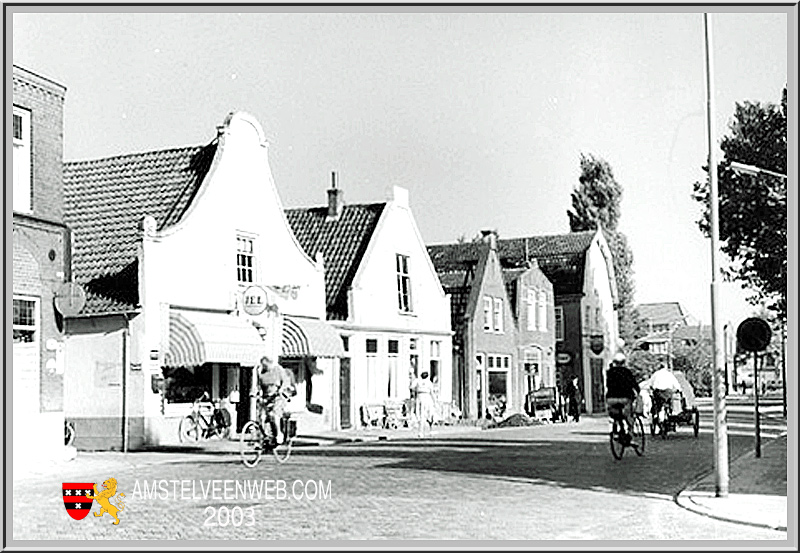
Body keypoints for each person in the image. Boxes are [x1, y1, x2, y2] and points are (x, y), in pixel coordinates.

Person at [256, 355, 294, 445]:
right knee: (261, 417)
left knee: (274, 415)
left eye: (266, 365)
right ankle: (265, 437)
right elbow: (259, 385)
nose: (265, 367)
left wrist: (281, 389)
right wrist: (256, 393)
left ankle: (279, 434)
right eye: (263, 365)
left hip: (278, 396)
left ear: (270, 363)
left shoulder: (278, 370)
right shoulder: (261, 372)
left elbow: (285, 381)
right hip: (266, 396)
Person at [605, 352, 640, 442]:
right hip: (625, 398)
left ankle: (616, 429)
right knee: (628, 415)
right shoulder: (627, 372)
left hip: (611, 398)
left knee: (615, 414)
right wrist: (637, 392)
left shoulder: (610, 372)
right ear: (624, 362)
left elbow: (608, 385)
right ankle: (630, 434)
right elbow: (634, 384)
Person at [410, 371, 435, 438]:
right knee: (421, 415)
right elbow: (412, 387)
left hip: (424, 397)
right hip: (422, 397)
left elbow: (411, 387)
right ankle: (422, 431)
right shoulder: (420, 381)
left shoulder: (425, 382)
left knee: (426, 414)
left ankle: (426, 430)